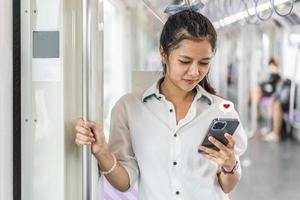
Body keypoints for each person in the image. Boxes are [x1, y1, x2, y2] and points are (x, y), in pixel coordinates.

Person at [75, 2, 248, 199]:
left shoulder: (220, 110)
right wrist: (102, 152)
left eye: (204, 63)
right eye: (184, 61)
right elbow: (124, 183)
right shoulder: (129, 108)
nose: (194, 72)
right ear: (163, 53)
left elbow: (226, 186)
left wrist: (229, 164)